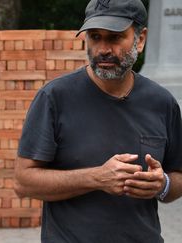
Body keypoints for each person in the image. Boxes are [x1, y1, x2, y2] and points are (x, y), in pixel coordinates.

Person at [14, 0, 182, 242]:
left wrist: (162, 184)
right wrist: (96, 178)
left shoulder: (162, 102)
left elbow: (177, 176)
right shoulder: (54, 98)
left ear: (141, 38)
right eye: (95, 37)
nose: (103, 49)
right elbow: (23, 181)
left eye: (114, 38)